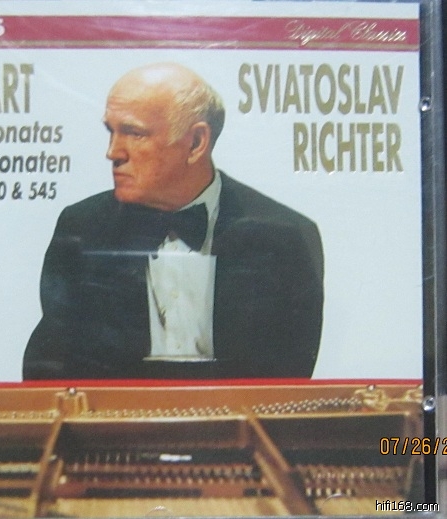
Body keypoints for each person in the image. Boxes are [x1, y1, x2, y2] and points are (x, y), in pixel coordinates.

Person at [23, 63, 323, 380]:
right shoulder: (82, 227)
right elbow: (51, 367)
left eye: (134, 133)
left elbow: (289, 380)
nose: (113, 152)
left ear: (196, 143)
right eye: (111, 131)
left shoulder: (286, 237)